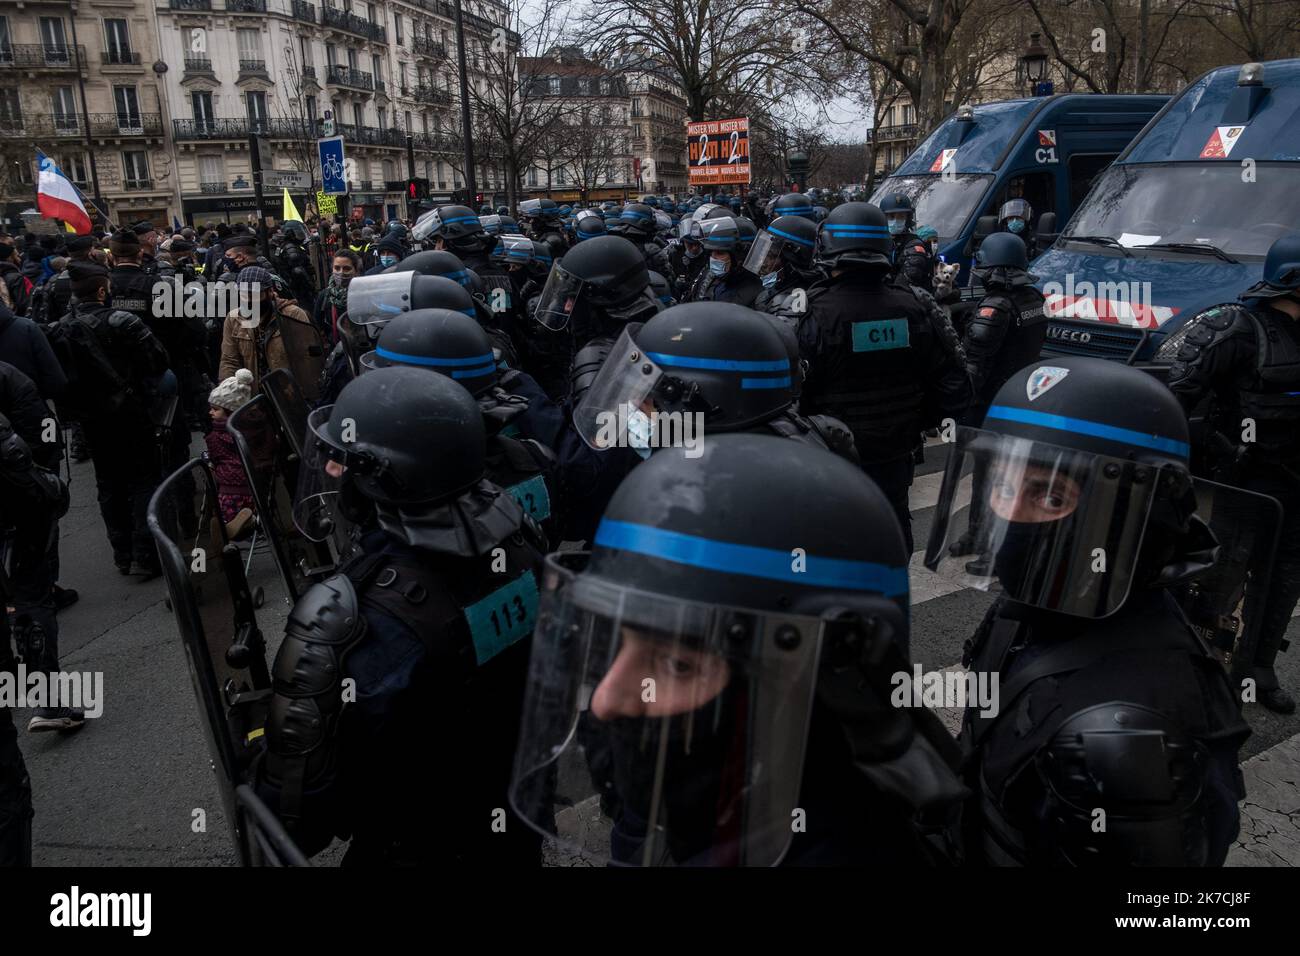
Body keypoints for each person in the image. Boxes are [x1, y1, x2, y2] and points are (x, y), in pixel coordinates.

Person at [509, 432, 967, 866]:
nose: (607, 700)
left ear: (829, 680)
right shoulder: (724, 820)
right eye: (615, 642)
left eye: (678, 663)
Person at [924, 357, 1250, 865]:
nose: (1010, 514)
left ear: (1135, 518)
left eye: (1051, 494)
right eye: (1004, 487)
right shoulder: (1037, 610)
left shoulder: (1126, 739)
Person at [256, 367, 546, 866]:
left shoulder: (355, 619)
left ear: (387, 476)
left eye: (342, 463)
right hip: (515, 819)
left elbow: (296, 819)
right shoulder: (519, 541)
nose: (330, 471)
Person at [1167, 233, 1300, 714]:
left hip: (1293, 487)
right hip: (1244, 483)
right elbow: (1175, 395)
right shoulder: (1238, 328)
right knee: (1219, 581)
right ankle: (1203, 670)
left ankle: (1257, 667)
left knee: (1284, 580)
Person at [798, 202, 971, 552]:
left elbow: (789, 401)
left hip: (831, 465)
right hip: (895, 461)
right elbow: (956, 389)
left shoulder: (809, 312)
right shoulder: (917, 305)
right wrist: (908, 421)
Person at [53, 260, 170, 577]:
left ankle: (123, 553)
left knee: (109, 484)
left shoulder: (63, 327)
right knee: (144, 479)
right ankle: (146, 553)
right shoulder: (122, 320)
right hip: (132, 414)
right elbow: (158, 361)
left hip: (92, 420)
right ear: (102, 290)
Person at [946, 233, 1048, 571]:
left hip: (991, 403)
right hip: (1022, 397)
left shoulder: (995, 308)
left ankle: (995, 545)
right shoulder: (1032, 298)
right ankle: (979, 534)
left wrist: (955, 404)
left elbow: (975, 365)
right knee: (995, 473)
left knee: (996, 476)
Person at [218, 266, 324, 395]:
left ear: (270, 292)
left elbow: (307, 360)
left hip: (289, 395)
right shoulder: (234, 319)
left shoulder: (292, 315)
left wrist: (304, 394)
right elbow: (229, 361)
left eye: (255, 295)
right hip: (254, 397)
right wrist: (227, 395)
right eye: (244, 295)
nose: (250, 300)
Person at [204, 369, 256, 540]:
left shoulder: (215, 436)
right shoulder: (249, 430)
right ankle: (247, 520)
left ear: (230, 411)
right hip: (251, 486)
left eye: (215, 409)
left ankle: (228, 529)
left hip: (229, 489)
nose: (210, 413)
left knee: (222, 521)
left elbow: (215, 458)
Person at [746, 214, 821, 322]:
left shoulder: (799, 305)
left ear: (793, 262)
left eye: (771, 256)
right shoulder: (771, 291)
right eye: (763, 253)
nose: (763, 262)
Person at [684, 217, 762, 307]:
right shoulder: (713, 278)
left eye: (720, 253)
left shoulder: (755, 295)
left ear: (740, 256)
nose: (713, 258)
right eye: (711, 252)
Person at [879, 193, 934, 293]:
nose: (895, 220)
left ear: (907, 218)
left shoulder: (914, 245)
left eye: (901, 216)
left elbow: (906, 283)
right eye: (891, 217)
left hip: (910, 301)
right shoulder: (879, 241)